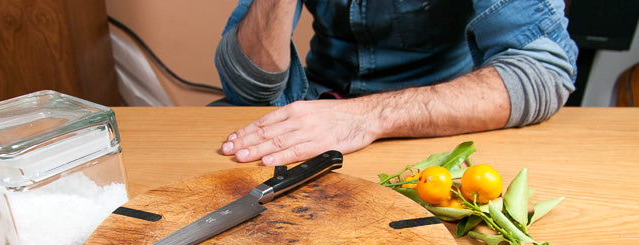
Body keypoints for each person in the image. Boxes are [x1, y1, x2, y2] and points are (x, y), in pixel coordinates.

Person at [215, 0, 577, 166]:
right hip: (316, 112)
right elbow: (249, 88)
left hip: (433, 131)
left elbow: (544, 70)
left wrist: (366, 117)